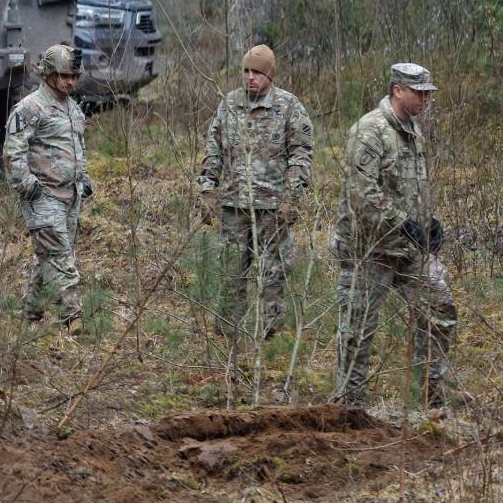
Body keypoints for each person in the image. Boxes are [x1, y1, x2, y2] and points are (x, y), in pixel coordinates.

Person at [333, 62, 459, 408]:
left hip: (407, 250)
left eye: (427, 93)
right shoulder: (370, 130)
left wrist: (428, 222)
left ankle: (429, 398)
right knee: (357, 331)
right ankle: (350, 407)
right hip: (368, 249)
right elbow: (361, 194)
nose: (424, 99)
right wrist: (404, 222)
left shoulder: (411, 129)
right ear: (397, 91)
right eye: (418, 93)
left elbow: (411, 186)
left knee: (440, 309)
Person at [196, 44, 314, 341]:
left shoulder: (289, 107)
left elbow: (301, 155)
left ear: (269, 75)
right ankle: (227, 337)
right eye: (246, 71)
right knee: (230, 272)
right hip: (234, 206)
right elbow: (213, 150)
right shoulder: (229, 104)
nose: (250, 78)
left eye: (257, 73)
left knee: (273, 274)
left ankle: (270, 337)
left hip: (272, 209)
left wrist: (292, 198)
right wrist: (208, 190)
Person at [2, 44, 91, 328]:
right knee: (59, 256)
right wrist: (27, 186)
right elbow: (12, 151)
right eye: (65, 75)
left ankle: (31, 318)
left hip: (71, 194)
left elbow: (78, 148)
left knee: (49, 258)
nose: (71, 82)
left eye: (75, 76)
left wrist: (84, 180)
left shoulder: (74, 109)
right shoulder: (29, 107)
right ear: (49, 74)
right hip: (43, 196)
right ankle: (73, 318)